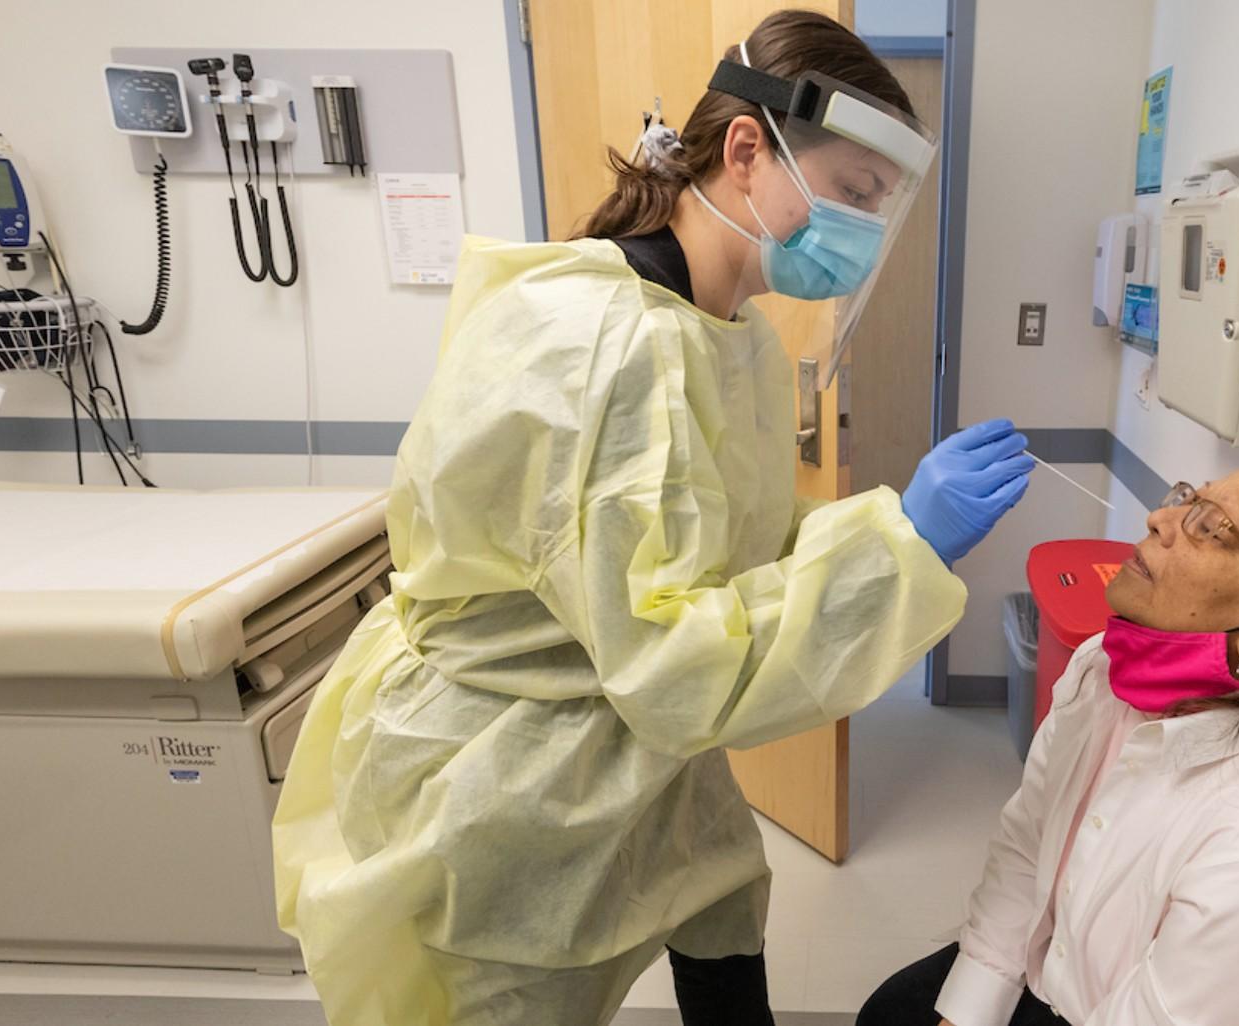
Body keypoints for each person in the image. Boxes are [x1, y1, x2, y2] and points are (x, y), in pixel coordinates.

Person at [272, 12, 1033, 1026]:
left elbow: (730, 556)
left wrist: (891, 525)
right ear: (748, 149)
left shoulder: (733, 338)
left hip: (632, 740)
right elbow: (678, 655)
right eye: (852, 194)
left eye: (877, 205)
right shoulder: (602, 343)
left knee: (720, 900)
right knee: (520, 990)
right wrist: (902, 549)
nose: (860, 229)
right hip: (516, 770)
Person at [859, 461, 1239, 1026]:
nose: (1160, 518)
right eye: (1187, 499)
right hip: (1076, 978)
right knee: (890, 1013)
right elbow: (1029, 848)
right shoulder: (1102, 672)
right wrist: (969, 1011)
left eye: (1212, 527)